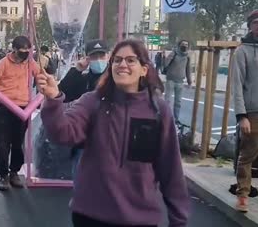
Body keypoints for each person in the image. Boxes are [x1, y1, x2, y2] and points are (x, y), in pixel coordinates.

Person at [37, 39, 190, 226]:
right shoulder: (93, 101)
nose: (122, 65)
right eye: (117, 60)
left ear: (144, 69)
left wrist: (179, 220)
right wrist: (53, 100)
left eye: (130, 60)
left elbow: (171, 170)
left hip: (140, 218)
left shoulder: (158, 110)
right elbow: (63, 132)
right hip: (90, 216)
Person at [0, 35, 40, 191]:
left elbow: (42, 78)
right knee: (3, 144)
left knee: (18, 143)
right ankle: (3, 176)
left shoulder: (30, 63)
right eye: (22, 51)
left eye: (28, 52)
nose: (25, 55)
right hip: (5, 109)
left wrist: (44, 87)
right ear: (14, 50)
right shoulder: (3, 63)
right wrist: (5, 100)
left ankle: (14, 172)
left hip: (24, 108)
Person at [58, 39, 110, 181]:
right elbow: (61, 93)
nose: (98, 60)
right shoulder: (83, 80)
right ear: (87, 58)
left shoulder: (116, 80)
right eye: (94, 57)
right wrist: (77, 70)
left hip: (110, 145)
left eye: (101, 56)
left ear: (108, 56)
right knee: (82, 189)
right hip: (84, 144)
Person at [232, 9, 258, 213]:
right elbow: (237, 85)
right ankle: (243, 194)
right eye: (256, 22)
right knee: (247, 155)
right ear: (250, 25)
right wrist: (242, 116)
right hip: (253, 113)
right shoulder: (242, 51)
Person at [163, 40, 192, 123]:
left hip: (180, 82)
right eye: (183, 44)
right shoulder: (174, 53)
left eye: (186, 44)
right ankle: (166, 118)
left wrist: (189, 81)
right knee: (168, 101)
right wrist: (169, 57)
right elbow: (165, 64)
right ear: (179, 45)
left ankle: (176, 119)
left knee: (178, 102)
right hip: (170, 81)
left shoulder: (187, 57)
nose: (185, 46)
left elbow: (188, 70)